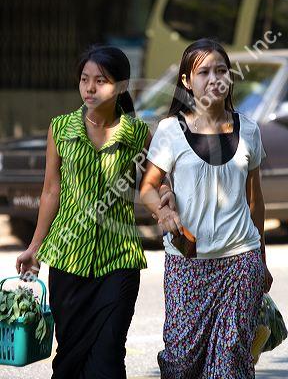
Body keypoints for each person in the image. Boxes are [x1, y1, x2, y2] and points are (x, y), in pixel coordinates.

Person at [15, 44, 171, 379]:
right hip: (68, 257)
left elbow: (156, 182)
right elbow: (50, 192)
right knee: (69, 357)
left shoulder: (138, 134)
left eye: (101, 80)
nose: (90, 87)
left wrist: (166, 201)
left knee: (108, 358)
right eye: (85, 79)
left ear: (122, 86)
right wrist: (34, 247)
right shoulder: (61, 129)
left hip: (119, 260)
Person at [140, 38, 273, 379]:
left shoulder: (250, 131)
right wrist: (164, 213)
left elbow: (254, 200)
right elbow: (148, 187)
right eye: (203, 72)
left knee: (230, 359)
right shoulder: (170, 130)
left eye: (221, 70)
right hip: (187, 261)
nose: (213, 78)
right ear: (186, 81)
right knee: (181, 360)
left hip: (240, 260)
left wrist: (262, 259)